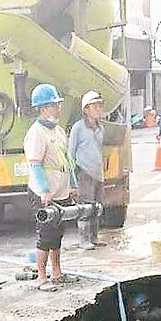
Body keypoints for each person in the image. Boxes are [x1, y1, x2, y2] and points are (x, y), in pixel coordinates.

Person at [24, 83, 76, 292]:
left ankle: (57, 272)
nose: (58, 108)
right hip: (43, 193)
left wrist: (72, 183)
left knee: (58, 233)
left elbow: (67, 159)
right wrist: (45, 190)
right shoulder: (36, 133)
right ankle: (42, 277)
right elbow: (35, 163)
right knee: (45, 234)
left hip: (60, 191)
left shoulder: (58, 130)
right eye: (54, 104)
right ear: (43, 107)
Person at [68, 90, 107, 251]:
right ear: (86, 109)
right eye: (95, 106)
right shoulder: (78, 128)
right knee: (85, 207)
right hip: (84, 173)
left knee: (97, 207)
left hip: (98, 173)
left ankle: (94, 237)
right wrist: (72, 180)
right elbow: (70, 153)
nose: (99, 109)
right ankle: (84, 239)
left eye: (100, 106)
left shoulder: (101, 129)